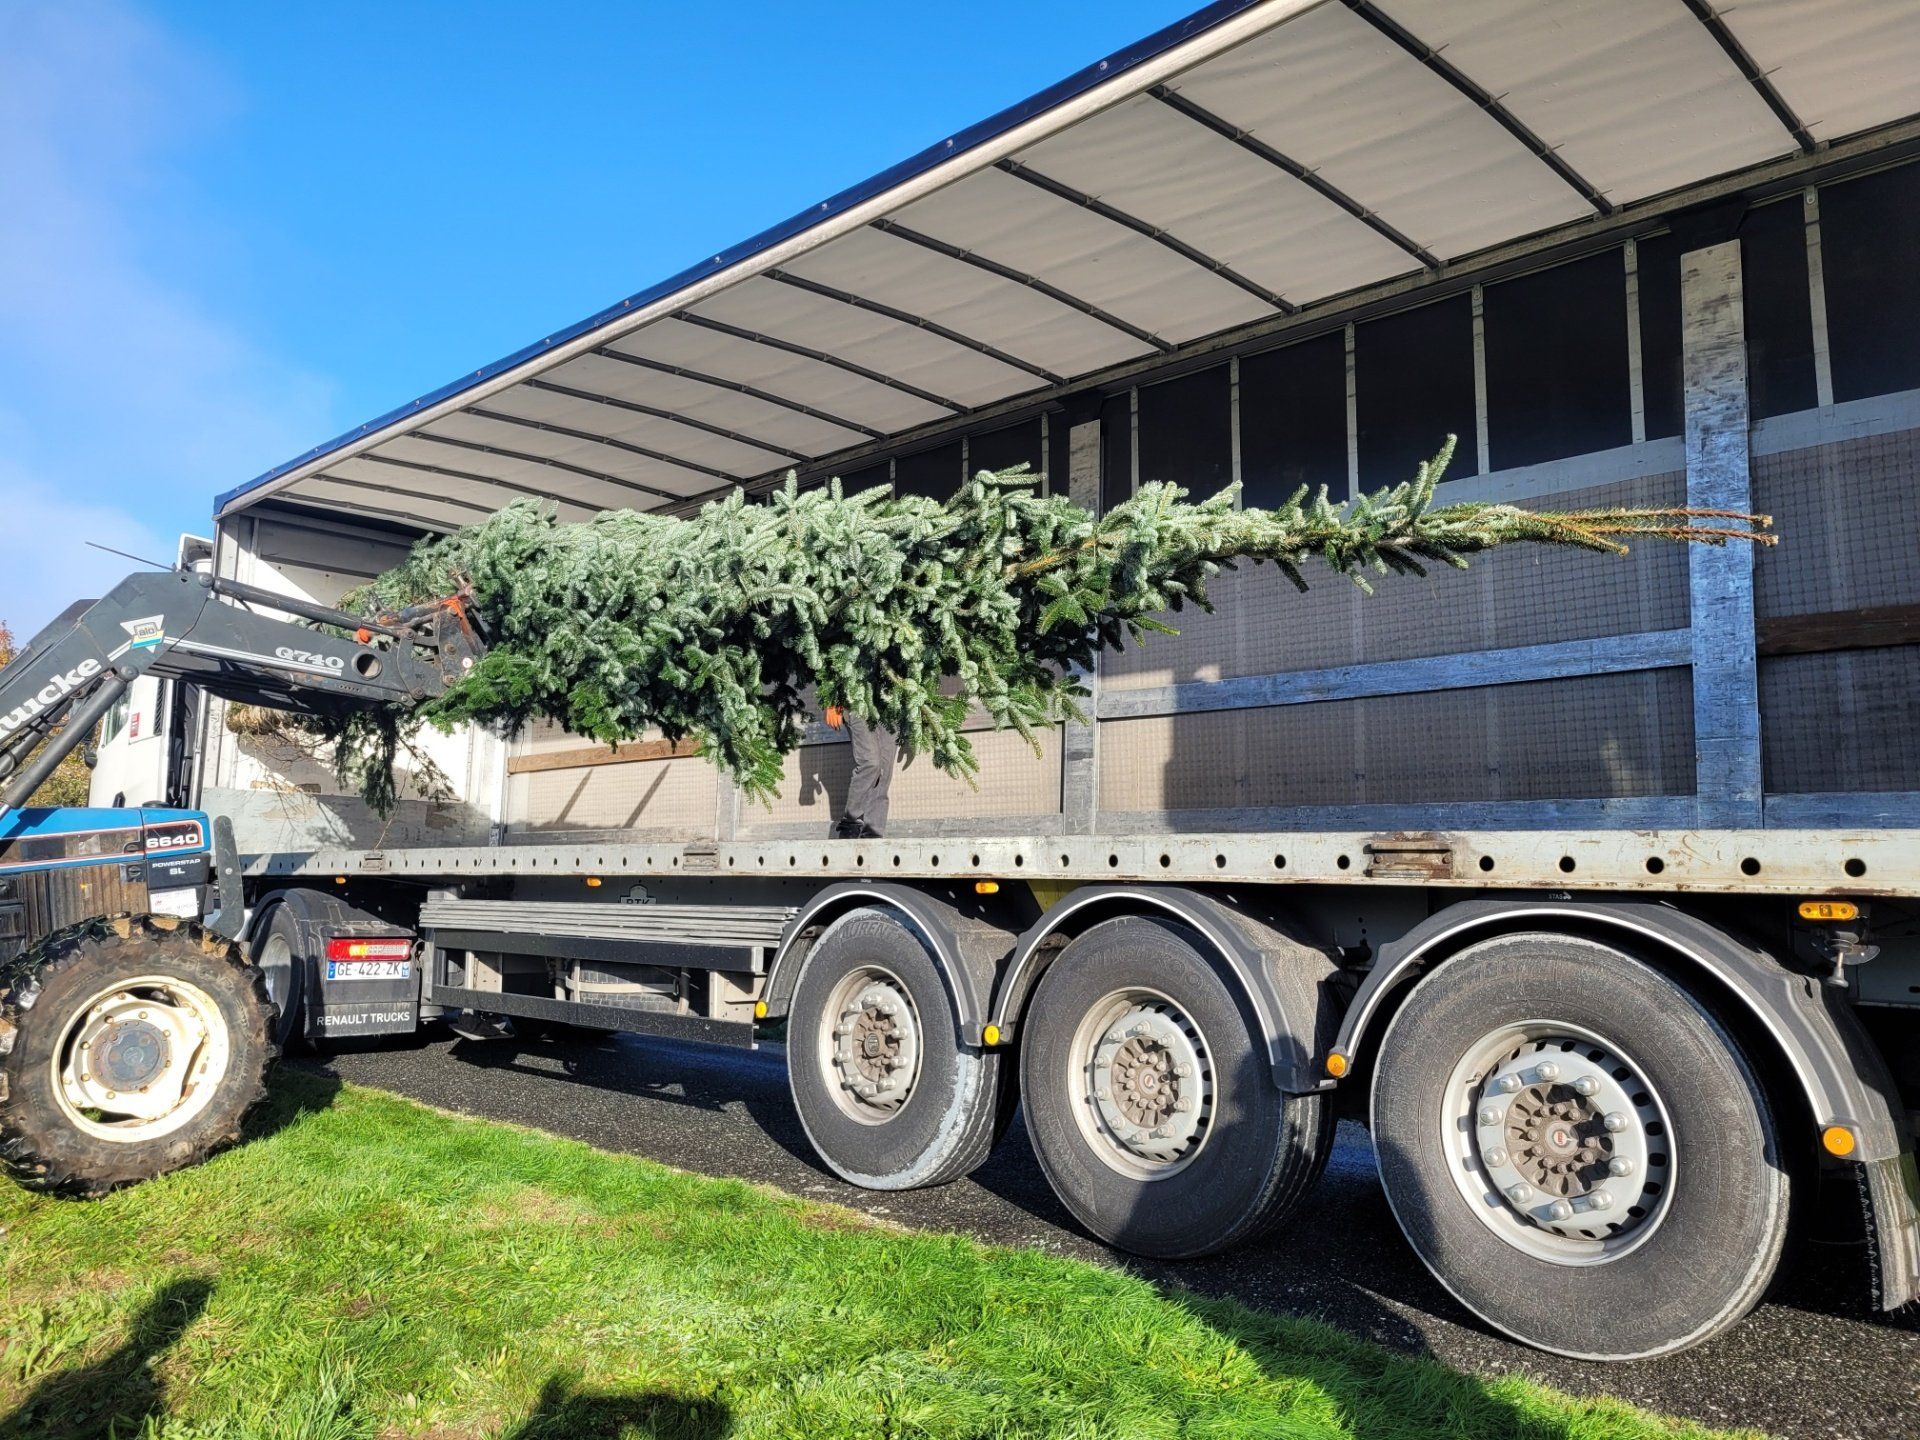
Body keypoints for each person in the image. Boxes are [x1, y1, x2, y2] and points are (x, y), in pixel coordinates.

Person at [824, 703, 895, 838]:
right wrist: (832, 702)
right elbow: (827, 680)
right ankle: (850, 823)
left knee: (884, 771)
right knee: (871, 763)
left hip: (891, 703)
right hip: (856, 699)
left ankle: (873, 832)